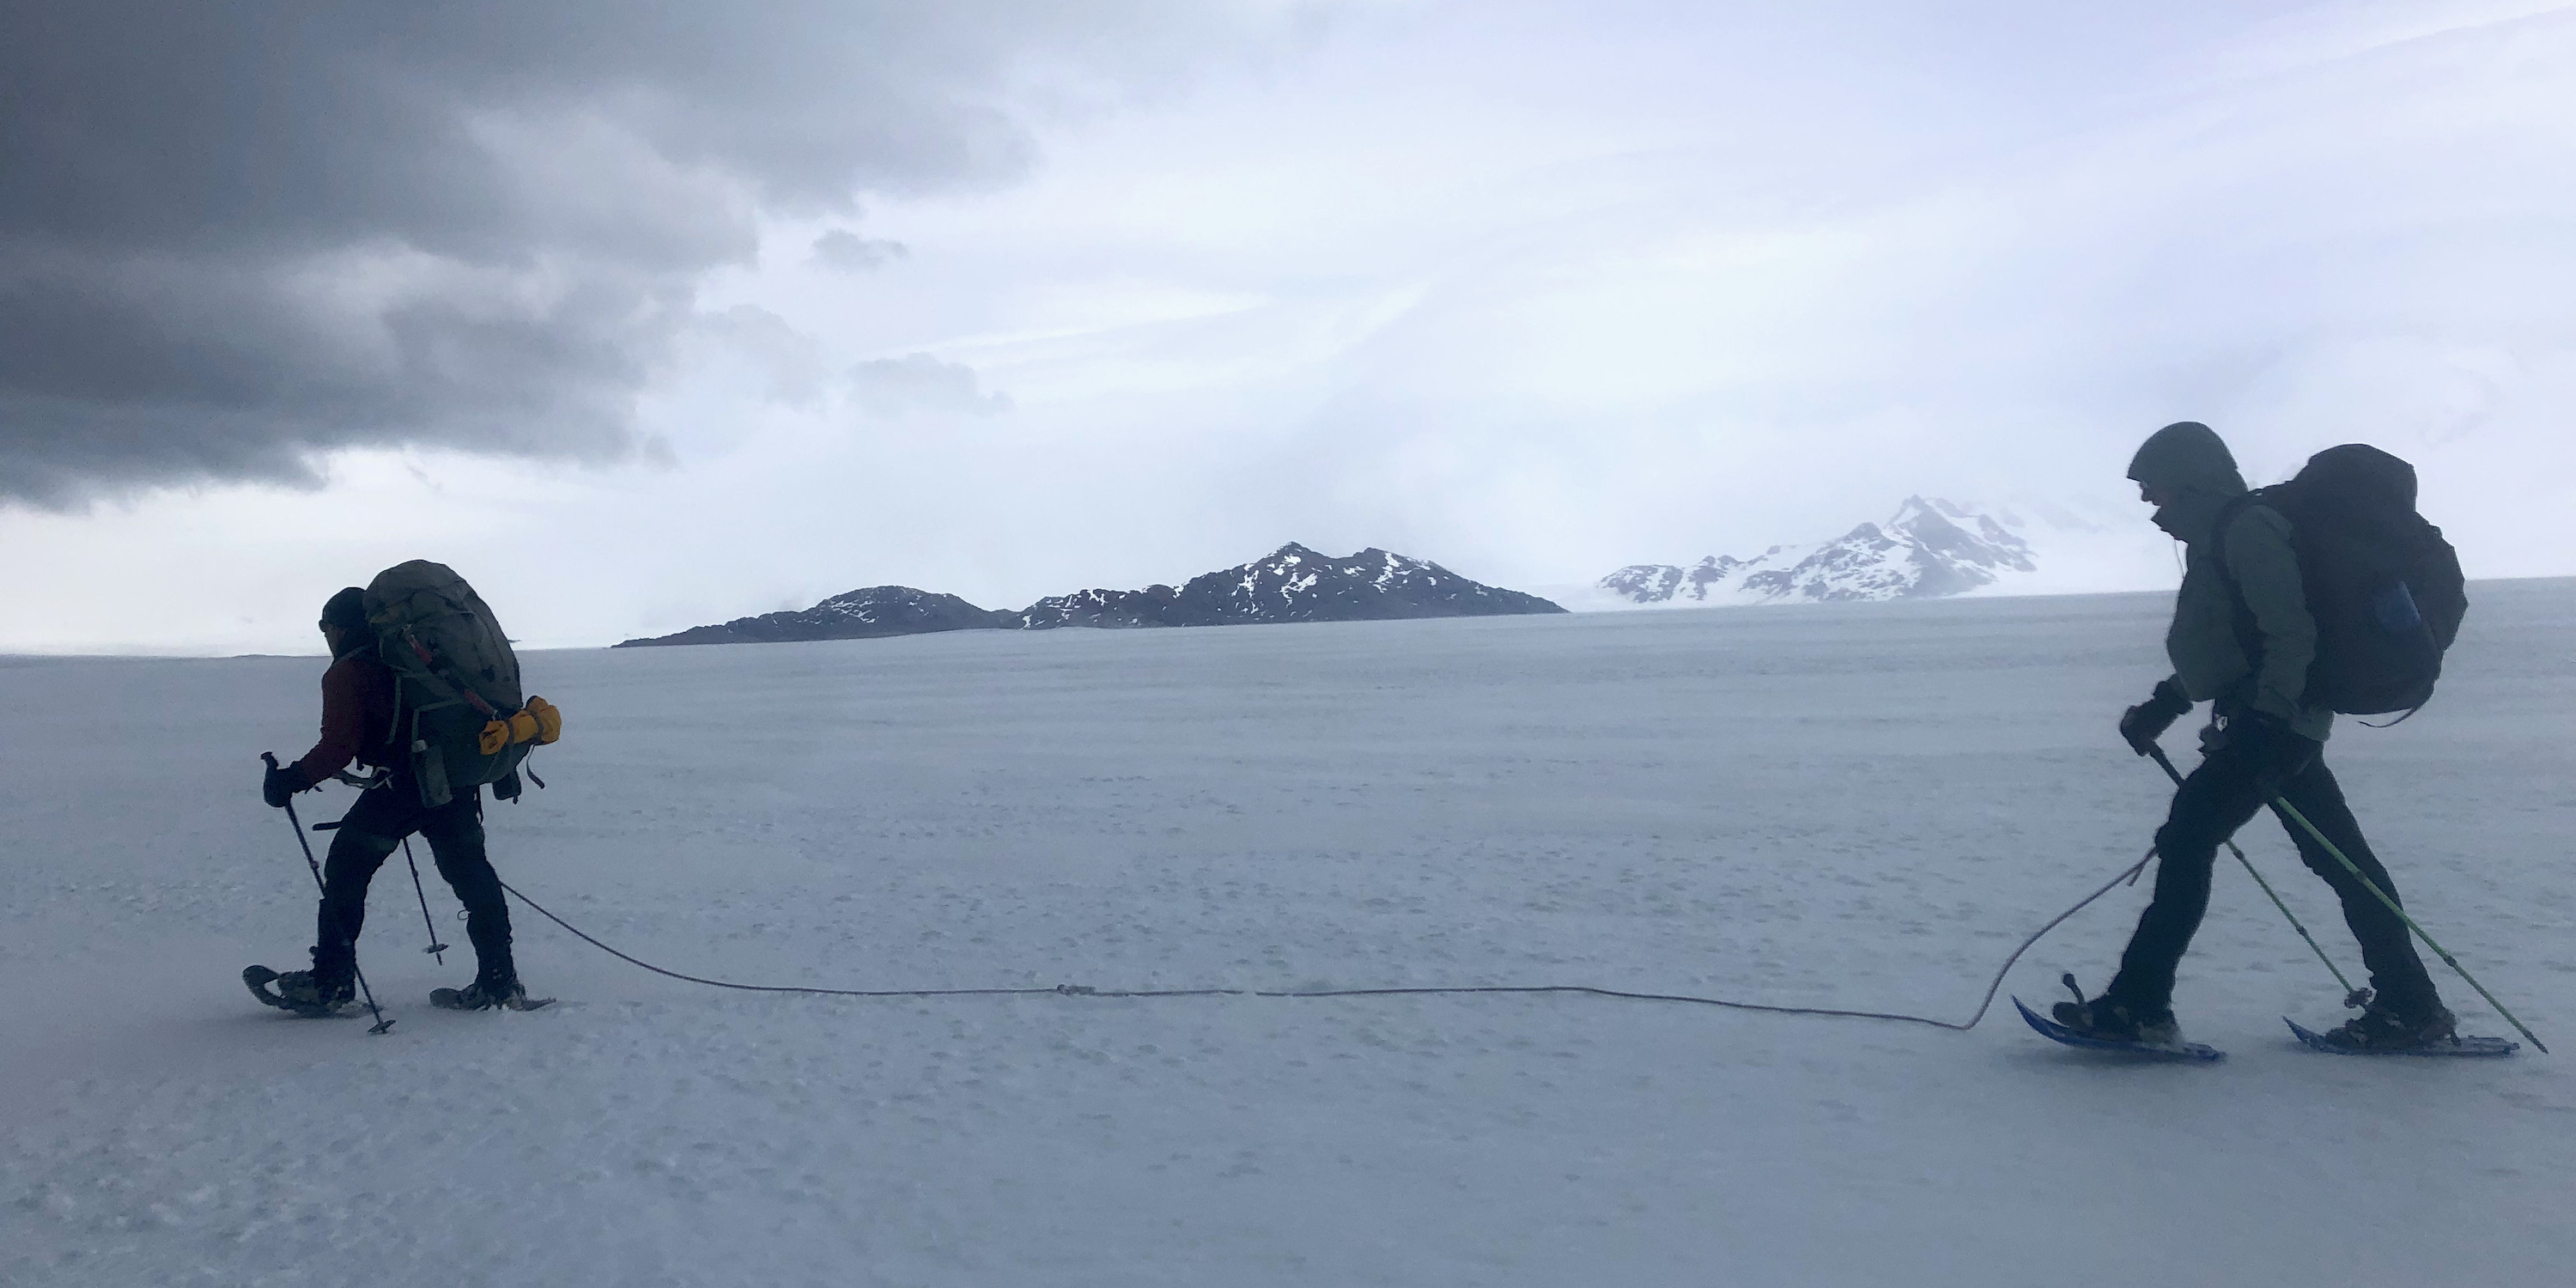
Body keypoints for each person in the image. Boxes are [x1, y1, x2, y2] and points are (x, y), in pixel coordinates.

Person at [2058, 421, 2452, 1051]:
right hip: (2276, 725)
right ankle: (2412, 1004)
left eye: (2155, 495)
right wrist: (2164, 704)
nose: (2151, 512)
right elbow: (2225, 646)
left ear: (2192, 484)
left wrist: (2267, 721)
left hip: (2275, 727)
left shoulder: (2249, 530)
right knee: (2342, 861)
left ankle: (2140, 1006)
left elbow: (2289, 632)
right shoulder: (2225, 535)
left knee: (2189, 836)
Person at [258, 586, 534, 1011]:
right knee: (472, 875)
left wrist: (291, 780)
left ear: (339, 627)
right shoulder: (412, 658)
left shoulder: (349, 672)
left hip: (403, 788)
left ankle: (330, 981)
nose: (324, 635)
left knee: (347, 869)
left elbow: (338, 747)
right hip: (453, 782)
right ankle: (500, 981)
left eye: (324, 626)